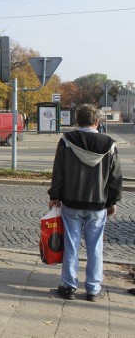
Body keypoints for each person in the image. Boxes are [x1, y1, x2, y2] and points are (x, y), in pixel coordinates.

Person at [48, 104, 122, 302]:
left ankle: (69, 286)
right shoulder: (109, 144)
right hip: (98, 204)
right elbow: (115, 178)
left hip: (71, 203)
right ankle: (93, 289)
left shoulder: (66, 141)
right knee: (95, 247)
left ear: (77, 121)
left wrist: (54, 195)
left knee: (71, 245)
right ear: (97, 122)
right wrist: (112, 201)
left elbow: (58, 173)